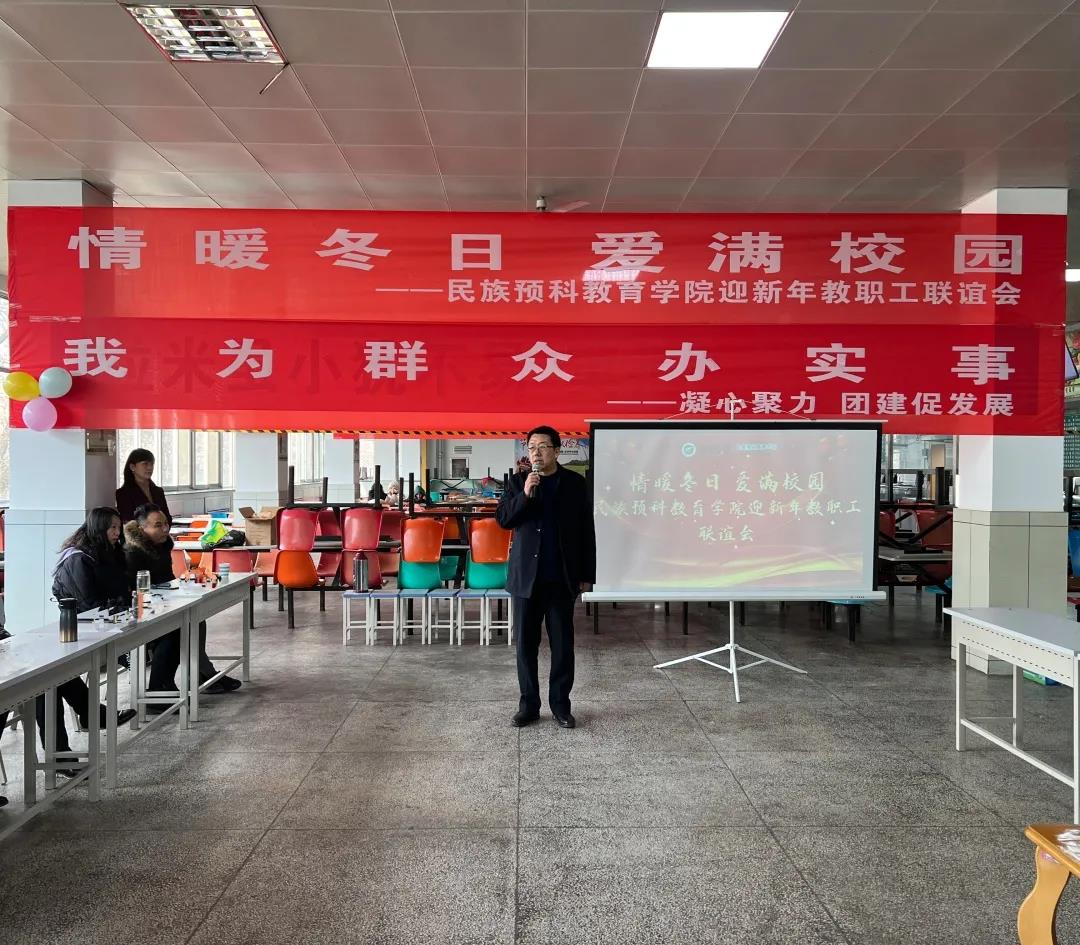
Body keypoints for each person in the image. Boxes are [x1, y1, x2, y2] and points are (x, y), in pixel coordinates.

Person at [496, 425, 595, 730]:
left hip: (561, 578)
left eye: (542, 447)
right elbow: (504, 519)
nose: (536, 453)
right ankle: (528, 706)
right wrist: (525, 494)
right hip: (526, 578)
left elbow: (586, 531)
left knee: (563, 646)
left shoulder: (575, 484)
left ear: (557, 450)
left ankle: (561, 706)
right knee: (526, 646)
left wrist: (586, 574)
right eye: (531, 448)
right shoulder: (518, 482)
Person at [47, 508, 137, 772]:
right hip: (83, 629)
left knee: (55, 678)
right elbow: (88, 605)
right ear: (98, 529)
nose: (117, 533)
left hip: (107, 623)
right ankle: (89, 719)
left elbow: (122, 589)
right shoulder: (78, 558)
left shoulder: (109, 552)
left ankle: (91, 717)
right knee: (51, 679)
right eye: (112, 528)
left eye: (118, 527)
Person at [123, 504, 240, 706]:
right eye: (158, 525)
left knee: (195, 619)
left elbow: (168, 580)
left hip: (162, 604)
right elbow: (134, 591)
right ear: (142, 529)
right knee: (178, 629)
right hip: (139, 612)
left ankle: (202, 675)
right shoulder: (131, 552)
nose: (165, 529)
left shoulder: (162, 546)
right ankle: (161, 689)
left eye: (165, 524)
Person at [116, 448, 172, 524]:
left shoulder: (158, 491)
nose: (150, 467)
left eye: (152, 464)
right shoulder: (123, 493)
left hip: (162, 531)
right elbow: (129, 522)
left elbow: (167, 518)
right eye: (145, 464)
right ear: (132, 467)